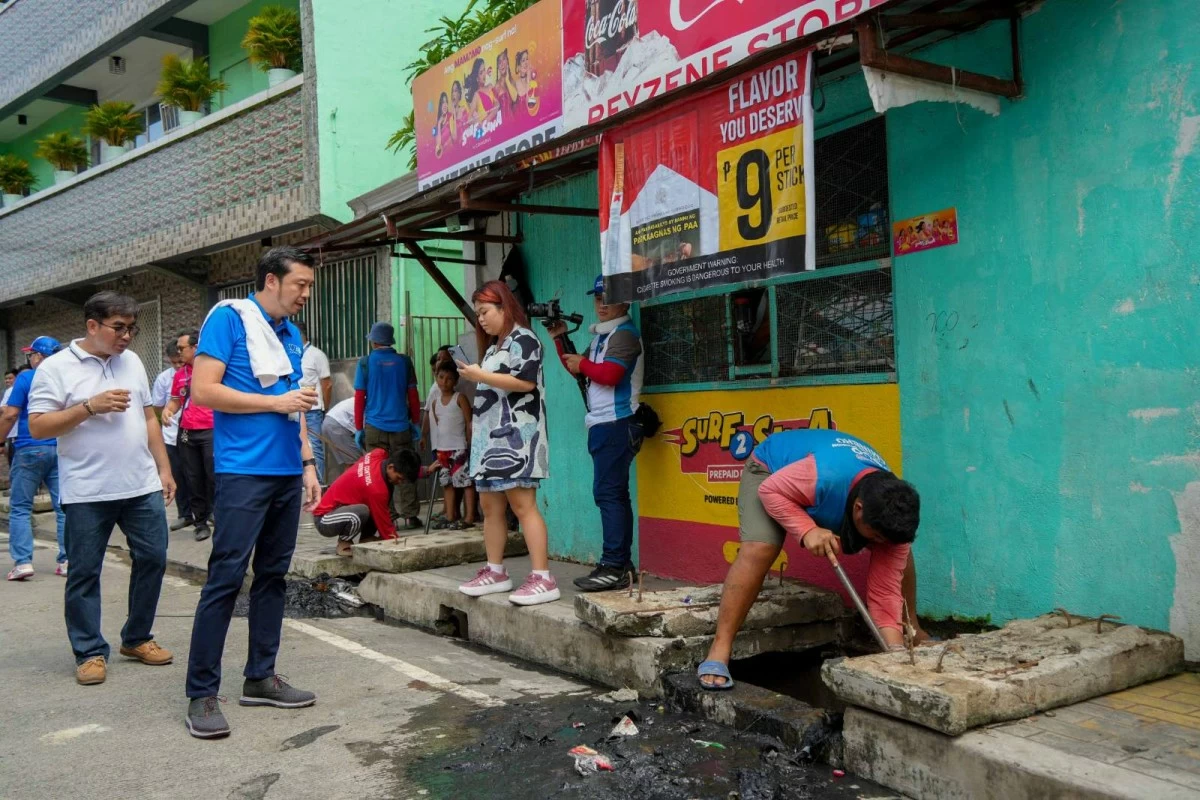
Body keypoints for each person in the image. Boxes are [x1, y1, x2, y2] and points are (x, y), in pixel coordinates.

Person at [184, 246, 322, 739]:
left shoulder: (290, 332)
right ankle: (201, 693)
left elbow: (296, 403)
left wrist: (308, 463)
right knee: (225, 578)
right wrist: (274, 400)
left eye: (309, 285)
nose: (306, 293)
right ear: (270, 280)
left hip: (286, 470)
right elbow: (204, 391)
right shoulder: (229, 318)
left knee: (273, 577)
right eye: (299, 284)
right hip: (244, 472)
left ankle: (260, 677)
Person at [27, 292, 176, 686]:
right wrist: (88, 407)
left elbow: (148, 418)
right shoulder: (55, 368)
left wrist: (163, 468)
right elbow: (38, 426)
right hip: (87, 491)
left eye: (132, 328)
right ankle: (89, 651)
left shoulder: (132, 362)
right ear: (92, 326)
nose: (127, 336)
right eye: (119, 327)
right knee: (84, 573)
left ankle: (137, 637)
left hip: (140, 484)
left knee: (154, 558)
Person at [697, 429, 922, 690]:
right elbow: (770, 491)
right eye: (876, 536)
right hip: (771, 471)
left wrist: (892, 653)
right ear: (858, 510)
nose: (879, 544)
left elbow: (884, 593)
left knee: (901, 555)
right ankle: (720, 648)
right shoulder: (824, 476)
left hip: (827, 482)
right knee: (761, 547)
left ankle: (910, 633)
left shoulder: (891, 517)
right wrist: (808, 530)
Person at [454, 280, 557, 605]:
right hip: (489, 443)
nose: (481, 319)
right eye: (478, 313)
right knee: (490, 507)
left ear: (504, 307)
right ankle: (495, 571)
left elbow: (525, 383)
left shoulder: (524, 340)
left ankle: (543, 578)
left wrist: (479, 376)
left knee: (523, 505)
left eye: (485, 311)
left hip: (517, 439)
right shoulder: (494, 347)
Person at [548, 275, 644, 592]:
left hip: (617, 423)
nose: (601, 304)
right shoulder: (604, 336)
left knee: (609, 495)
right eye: (597, 298)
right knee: (610, 494)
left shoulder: (625, 335)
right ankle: (617, 563)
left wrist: (583, 364)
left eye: (608, 298)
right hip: (603, 424)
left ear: (625, 301)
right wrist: (560, 338)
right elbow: (580, 370)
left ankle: (615, 565)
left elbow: (612, 374)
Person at [1, 337, 68, 580]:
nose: (29, 359)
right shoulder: (64, 376)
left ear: (38, 356)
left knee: (20, 507)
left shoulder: (27, 378)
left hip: (30, 448)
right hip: (59, 448)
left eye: (31, 355)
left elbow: (10, 414)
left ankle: (23, 563)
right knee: (63, 507)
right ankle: (67, 560)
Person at [353, 322, 421, 530]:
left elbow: (359, 398)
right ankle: (410, 516)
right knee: (406, 468)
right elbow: (413, 395)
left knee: (379, 472)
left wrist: (358, 427)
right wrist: (416, 422)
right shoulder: (404, 362)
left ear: (374, 341)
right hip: (401, 426)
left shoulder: (365, 363)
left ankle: (389, 516)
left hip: (374, 427)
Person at [313, 449, 440, 556]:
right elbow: (384, 522)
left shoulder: (378, 454)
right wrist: (397, 543)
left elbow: (401, 467)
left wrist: (426, 470)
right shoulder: (377, 489)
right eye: (399, 479)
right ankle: (344, 542)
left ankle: (366, 538)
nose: (400, 483)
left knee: (370, 505)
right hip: (324, 519)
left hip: (342, 509)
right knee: (361, 511)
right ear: (390, 467)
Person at [164, 331, 216, 542]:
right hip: (186, 431)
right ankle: (200, 522)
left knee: (213, 475)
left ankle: (216, 513)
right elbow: (175, 401)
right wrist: (168, 410)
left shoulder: (214, 368)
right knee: (192, 478)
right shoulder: (180, 374)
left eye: (182, 348)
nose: (179, 353)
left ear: (195, 348)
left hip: (211, 428)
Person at [422, 362, 477, 530]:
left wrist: (469, 444)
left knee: (465, 483)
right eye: (441, 377)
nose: (444, 382)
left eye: (449, 379)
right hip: (442, 450)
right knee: (447, 483)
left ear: (455, 381)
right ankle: (451, 516)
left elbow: (469, 423)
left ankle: (469, 517)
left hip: (459, 448)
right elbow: (439, 425)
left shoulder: (460, 398)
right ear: (436, 378)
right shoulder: (435, 403)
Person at [151, 341, 194, 530]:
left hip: (193, 433)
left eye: (180, 362)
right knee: (178, 476)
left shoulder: (196, 373)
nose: (178, 366)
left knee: (199, 475)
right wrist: (167, 416)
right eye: (174, 363)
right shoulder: (163, 379)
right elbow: (158, 405)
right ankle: (185, 514)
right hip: (171, 435)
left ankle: (207, 513)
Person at [295, 321, 332, 484]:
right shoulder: (290, 353)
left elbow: (327, 384)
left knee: (314, 448)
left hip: (312, 411)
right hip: (293, 408)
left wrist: (325, 408)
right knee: (295, 448)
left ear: (300, 336)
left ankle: (319, 484)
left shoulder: (317, 355)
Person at [322, 397, 359, 470]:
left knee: (352, 462)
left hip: (330, 421)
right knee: (356, 463)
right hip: (337, 424)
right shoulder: (371, 402)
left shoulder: (364, 397)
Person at [2, 368, 17, 468]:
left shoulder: (11, 391)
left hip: (14, 434)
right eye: (6, 379)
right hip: (16, 433)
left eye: (10, 378)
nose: (7, 381)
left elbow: (5, 411)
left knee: (14, 465)